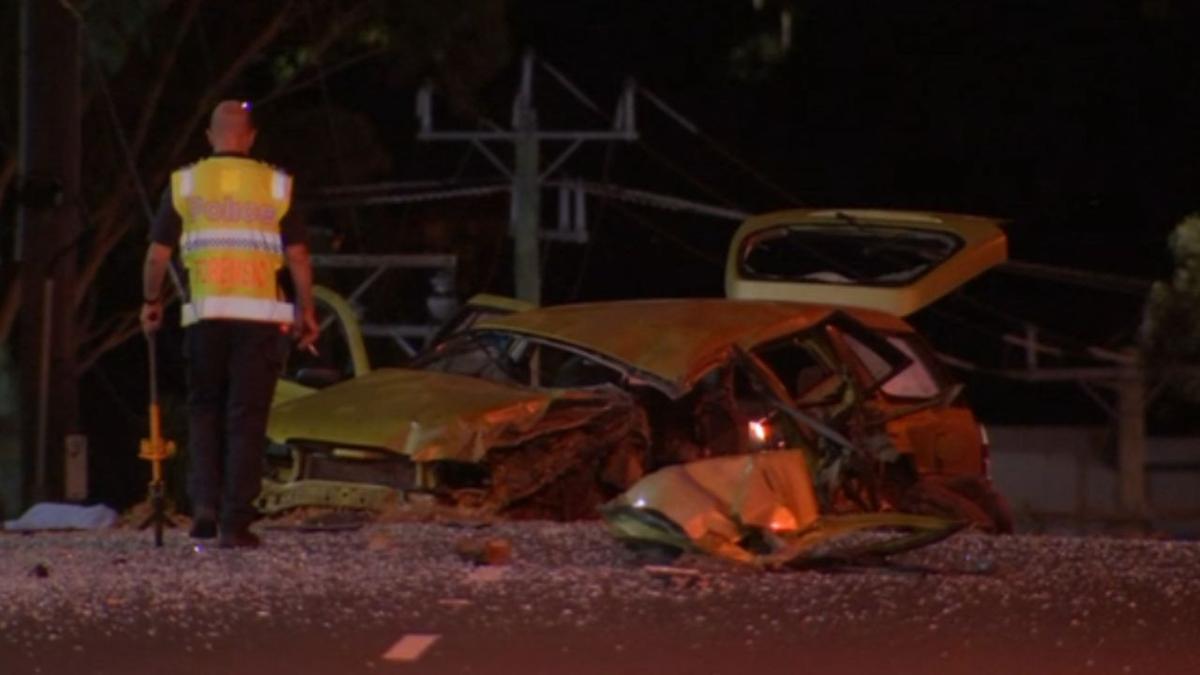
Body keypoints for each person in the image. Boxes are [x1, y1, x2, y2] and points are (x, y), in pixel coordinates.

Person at [141, 100, 318, 548]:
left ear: (209, 136)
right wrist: (307, 310)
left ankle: (203, 506)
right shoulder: (274, 185)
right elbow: (297, 255)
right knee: (246, 418)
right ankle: (236, 522)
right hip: (259, 322)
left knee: (204, 411)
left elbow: (157, 255)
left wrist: (150, 301)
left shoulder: (186, 183)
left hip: (206, 318)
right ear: (251, 137)